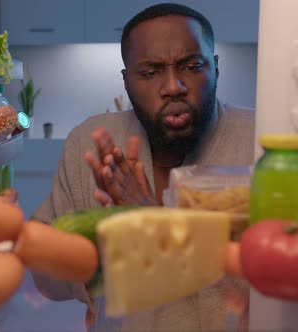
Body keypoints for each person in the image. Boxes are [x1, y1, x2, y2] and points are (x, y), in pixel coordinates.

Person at [31, 2, 255, 331]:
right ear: (127, 81)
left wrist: (164, 234)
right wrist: (108, 248)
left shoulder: (258, 141)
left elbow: (283, 288)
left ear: (215, 68)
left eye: (192, 66)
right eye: (150, 73)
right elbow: (46, 279)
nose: (173, 86)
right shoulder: (89, 143)